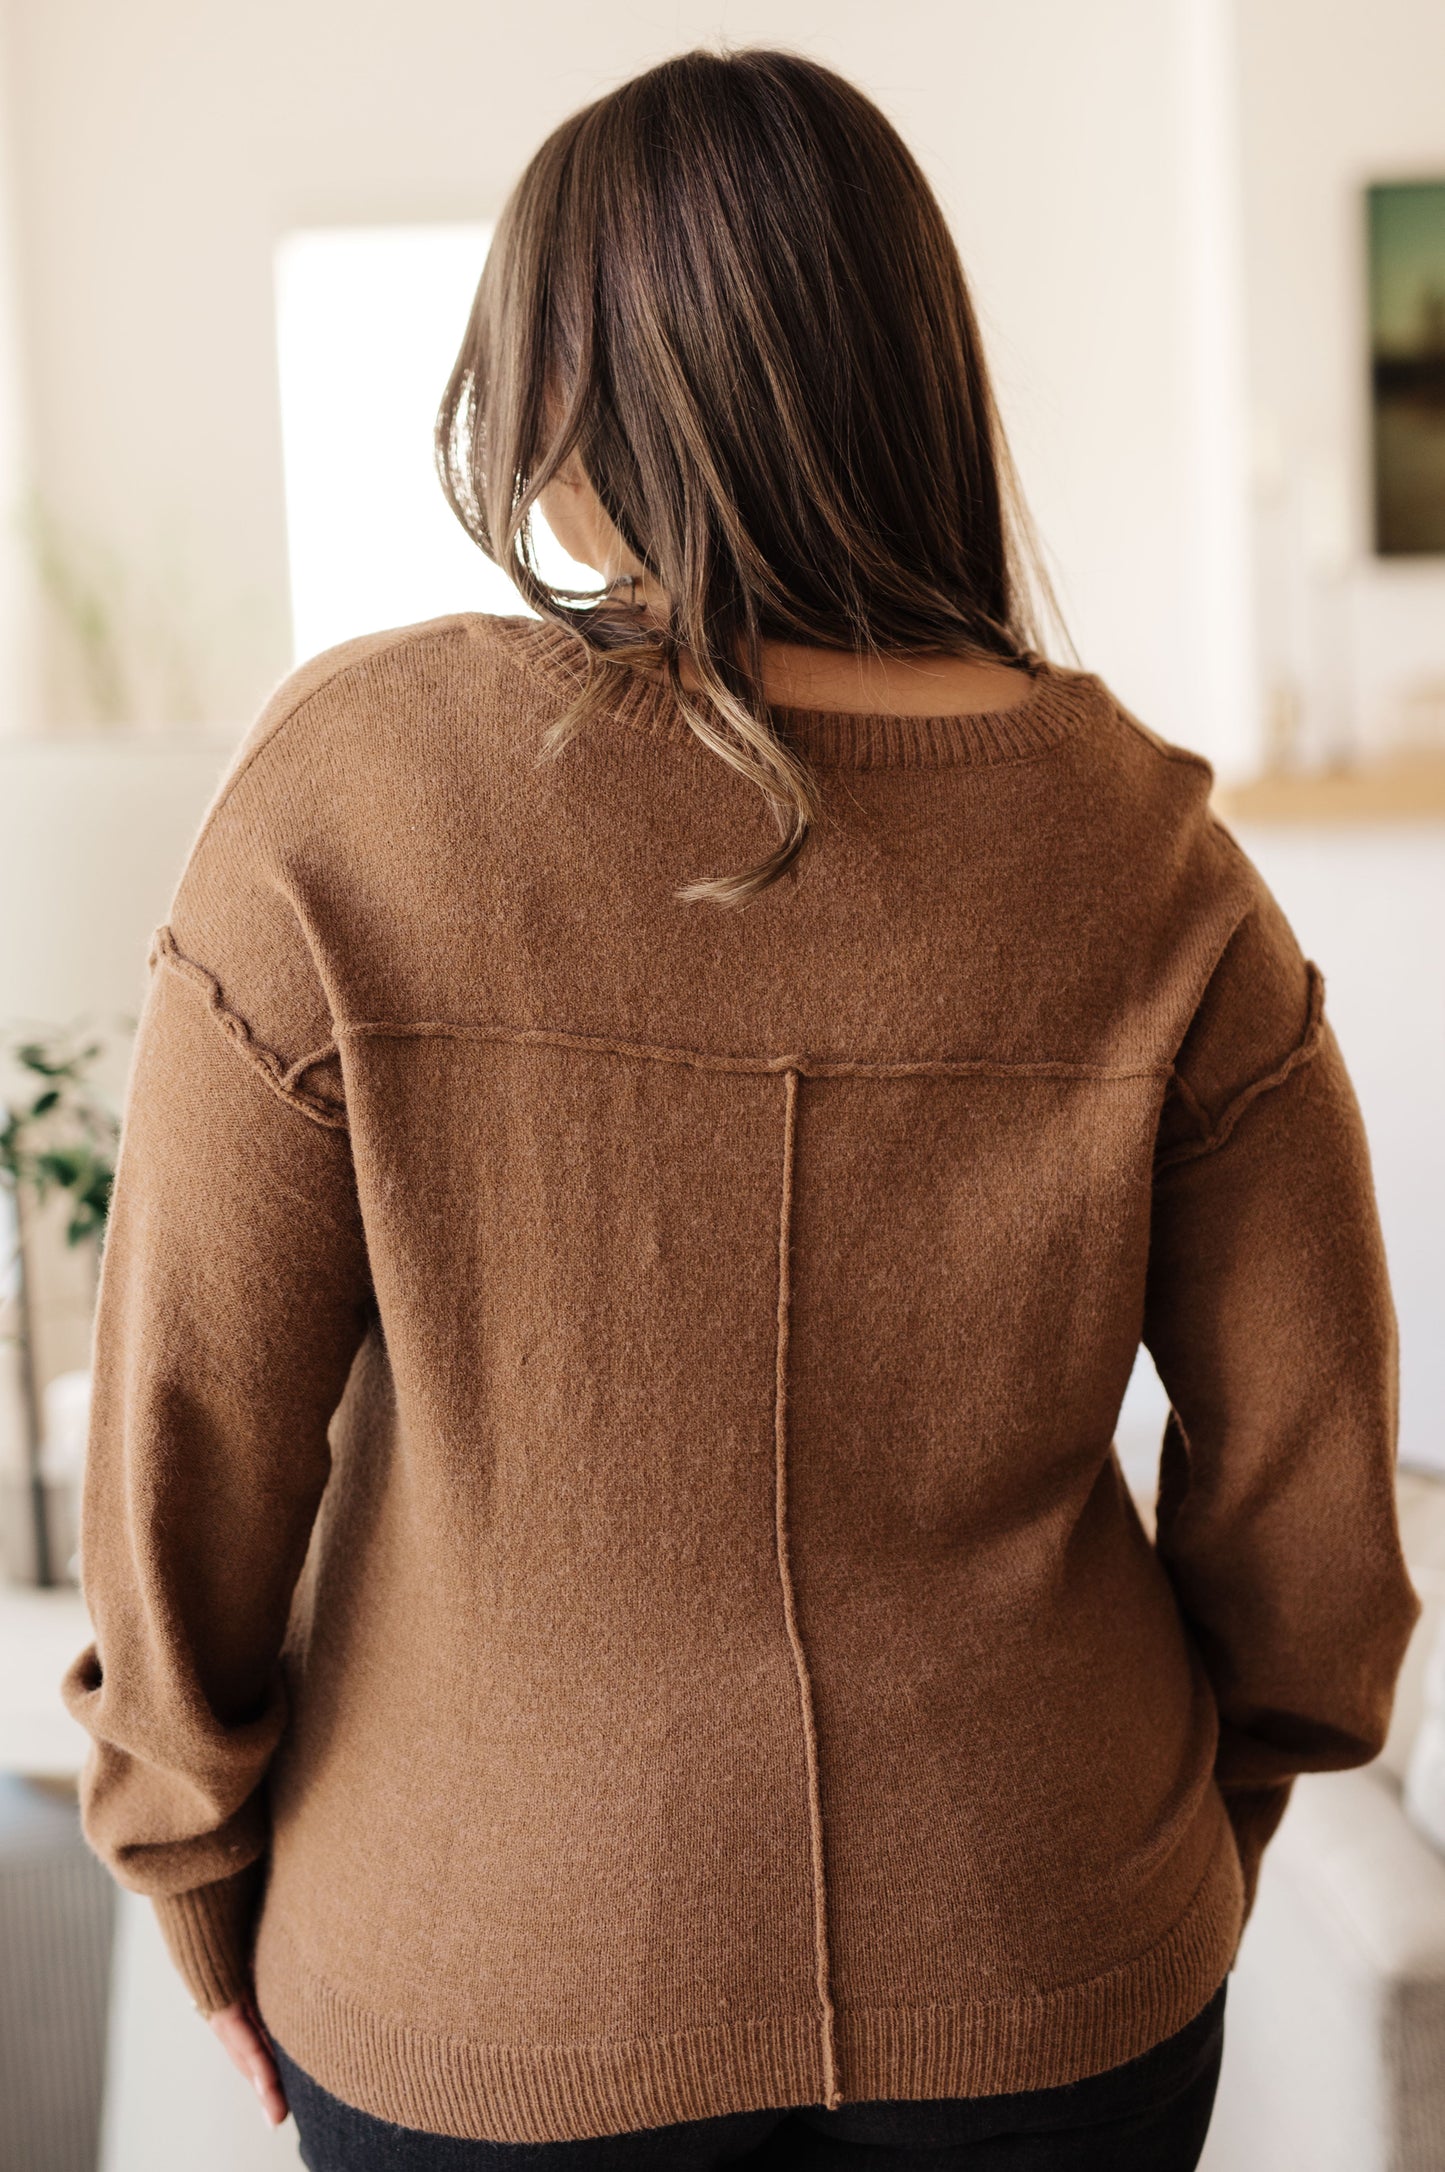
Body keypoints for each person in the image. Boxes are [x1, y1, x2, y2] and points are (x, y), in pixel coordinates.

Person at [63, 45, 1418, 2172]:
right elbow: (1319, 1498)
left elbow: (188, 1442)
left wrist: (188, 1863)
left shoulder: (351, 798)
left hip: (474, 1977)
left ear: (551, 409)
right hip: (1058, 1936)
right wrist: (1184, 1826)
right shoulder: (1154, 860)